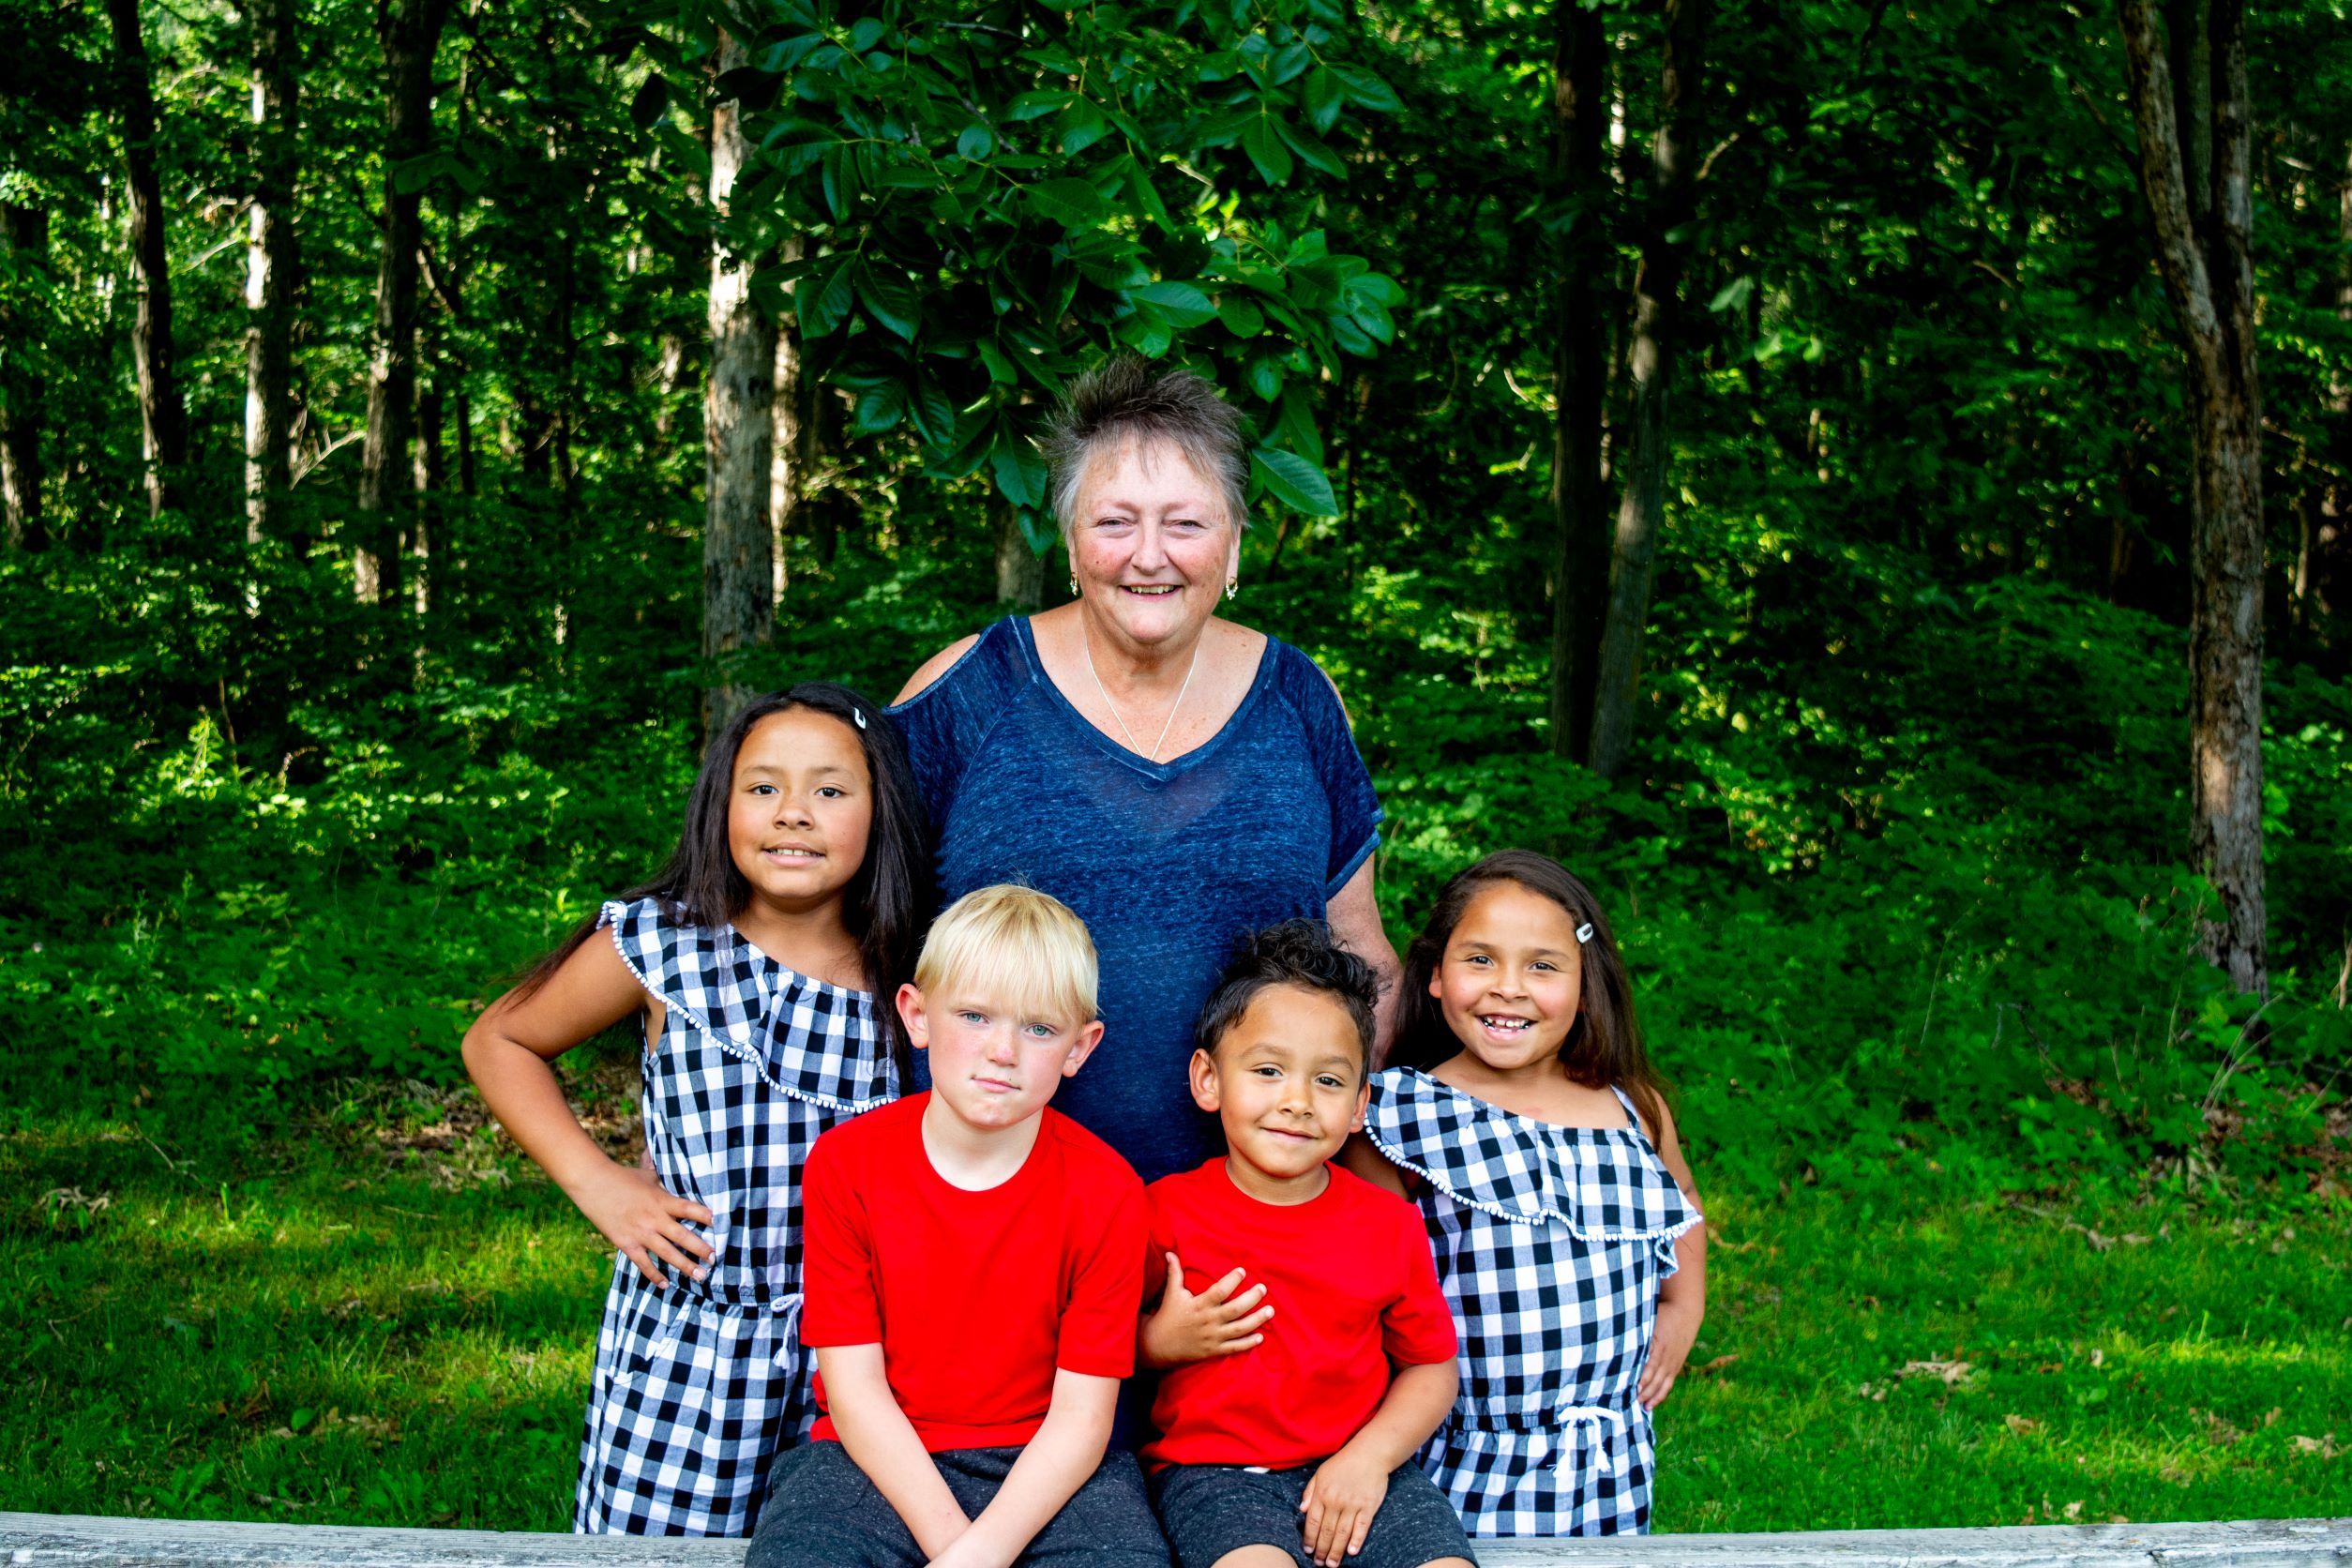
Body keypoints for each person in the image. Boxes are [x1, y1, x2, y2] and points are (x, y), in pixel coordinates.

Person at [888, 355, 1400, 1187]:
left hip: (1252, 1220)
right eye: (1115, 522)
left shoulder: (1301, 702)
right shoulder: (967, 695)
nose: (1149, 556)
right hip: (989, 1211)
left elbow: (1363, 959)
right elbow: (844, 941)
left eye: (1187, 524)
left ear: (1235, 544)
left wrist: (1363, 1179)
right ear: (1071, 540)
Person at [462, 683, 928, 1535]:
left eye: (830, 790)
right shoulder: (667, 946)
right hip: (693, 1352)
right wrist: (602, 1185)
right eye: (763, 786)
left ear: (881, 812)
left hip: (865, 1359)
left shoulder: (915, 977)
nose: (793, 812)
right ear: (721, 804)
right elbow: (500, 1040)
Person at [746, 884, 1167, 1568]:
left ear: (1080, 1047)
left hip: (1047, 1463)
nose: (1002, 1050)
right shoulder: (846, 1165)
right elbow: (855, 1393)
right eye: (974, 1016)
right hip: (877, 1454)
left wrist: (982, 1553)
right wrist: (959, 1550)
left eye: (1039, 1029)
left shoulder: (1108, 1192)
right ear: (917, 1015)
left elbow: (1081, 1418)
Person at [1340, 852, 1706, 1537]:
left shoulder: (1633, 1110)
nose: (1508, 988)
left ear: (1585, 985)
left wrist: (1683, 1307)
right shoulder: (1398, 1119)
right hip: (1462, 1458)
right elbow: (1358, 1290)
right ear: (1437, 975)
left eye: (1542, 966)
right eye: (1480, 960)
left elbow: (1682, 1204)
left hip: (1610, 1462)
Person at [1140, 922, 1474, 1568]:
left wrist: (1369, 1459)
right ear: (1209, 1079)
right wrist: (1161, 1341)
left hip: (1359, 1466)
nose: (1297, 1101)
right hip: (1216, 1474)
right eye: (1268, 1071)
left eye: (1328, 1081)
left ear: (1359, 1104)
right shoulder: (1164, 1212)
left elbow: (1432, 1368)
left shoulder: (1388, 1224)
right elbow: (1093, 1343)